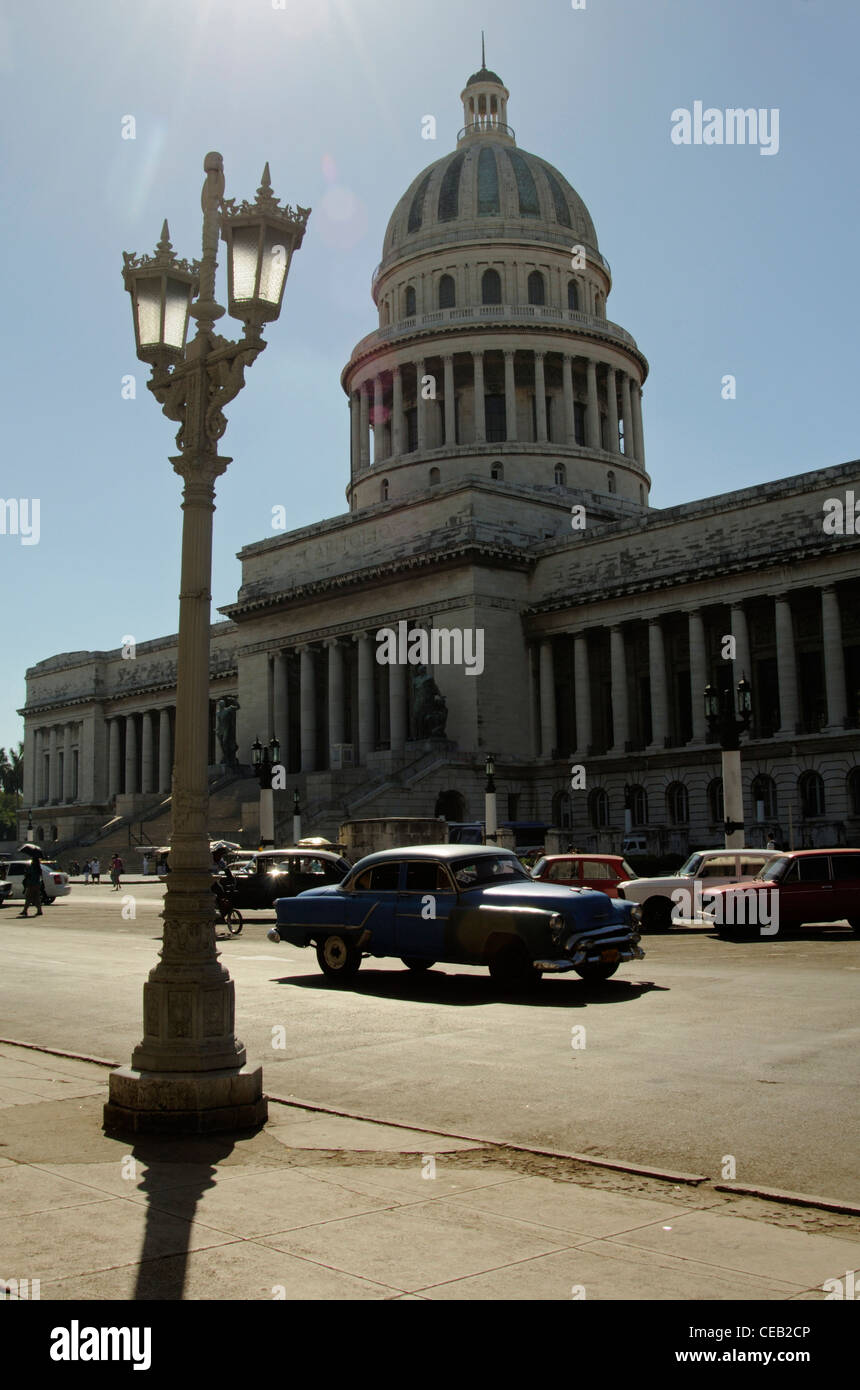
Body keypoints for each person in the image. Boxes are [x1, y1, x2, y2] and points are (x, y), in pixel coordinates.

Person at [18, 852, 43, 918]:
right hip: (37, 884)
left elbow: (28, 874)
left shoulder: (32, 866)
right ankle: (39, 910)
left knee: (28, 897)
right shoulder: (38, 867)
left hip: (31, 884)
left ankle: (25, 910)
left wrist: (27, 870)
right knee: (36, 898)